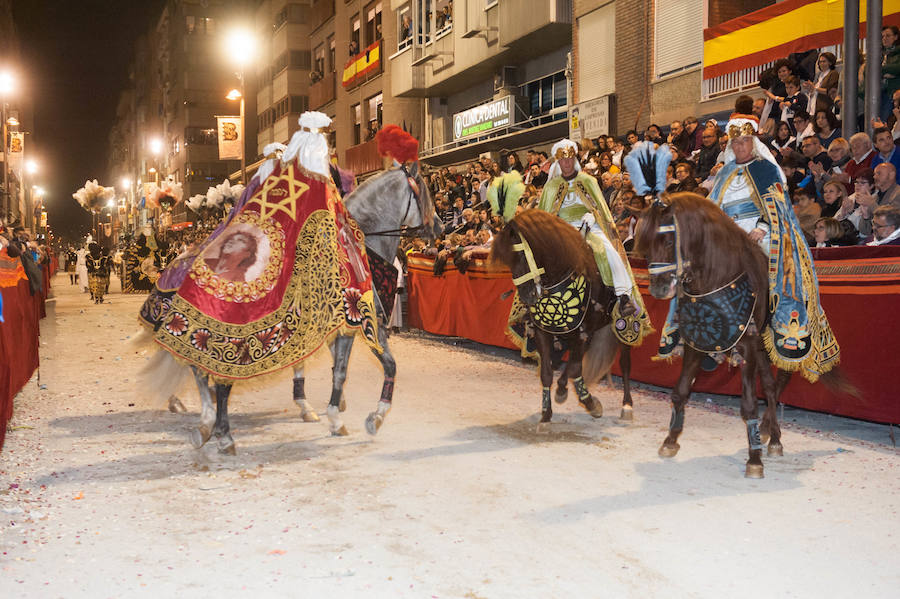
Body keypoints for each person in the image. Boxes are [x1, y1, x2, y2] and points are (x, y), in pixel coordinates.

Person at [707, 113, 839, 380]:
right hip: (727, 234)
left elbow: (776, 203)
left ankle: (774, 324)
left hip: (759, 231)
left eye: (745, 141)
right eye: (736, 142)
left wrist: (762, 226)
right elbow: (712, 205)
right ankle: (708, 332)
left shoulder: (765, 168)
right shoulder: (725, 173)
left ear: (753, 142)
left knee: (776, 272)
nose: (740, 146)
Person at [538, 139, 651, 341]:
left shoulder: (588, 180)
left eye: (570, 159)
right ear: (558, 162)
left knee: (608, 250)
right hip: (561, 229)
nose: (566, 163)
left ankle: (623, 296)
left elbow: (601, 208)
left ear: (575, 159)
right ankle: (535, 298)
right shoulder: (551, 187)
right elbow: (544, 216)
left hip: (589, 225)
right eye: (563, 160)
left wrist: (593, 215)